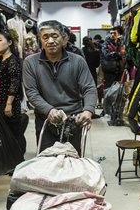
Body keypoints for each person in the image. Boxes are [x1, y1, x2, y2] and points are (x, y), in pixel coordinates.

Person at [23, 20, 97, 154]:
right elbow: (31, 92)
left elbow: (89, 88)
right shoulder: (30, 62)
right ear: (40, 40)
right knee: (47, 163)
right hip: (45, 118)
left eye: (54, 36)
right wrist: (49, 110)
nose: (50, 40)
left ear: (63, 38)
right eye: (45, 37)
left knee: (73, 162)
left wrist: (88, 110)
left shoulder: (77, 61)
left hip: (74, 119)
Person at [0, 31, 27, 156]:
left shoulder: (12, 61)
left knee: (15, 132)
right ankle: (9, 159)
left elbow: (14, 83)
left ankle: (18, 160)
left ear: (9, 42)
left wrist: (9, 104)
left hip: (10, 102)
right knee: (4, 132)